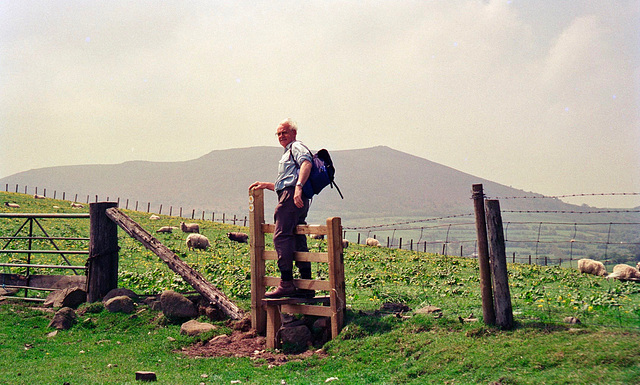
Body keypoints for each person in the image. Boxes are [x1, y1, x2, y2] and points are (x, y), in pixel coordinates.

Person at [249, 118, 315, 298]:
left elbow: (306, 164)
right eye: (278, 133)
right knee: (297, 235)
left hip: (292, 197)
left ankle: (286, 283)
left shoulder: (296, 147)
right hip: (294, 196)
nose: (281, 136)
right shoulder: (288, 152)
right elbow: (285, 183)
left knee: (281, 237)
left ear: (293, 133)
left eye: (284, 132)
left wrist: (299, 187)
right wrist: (266, 184)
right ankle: (306, 285)